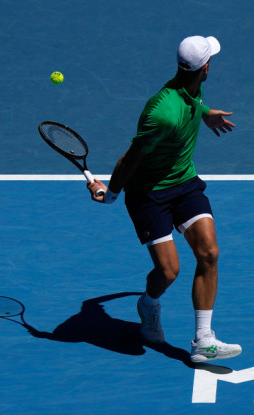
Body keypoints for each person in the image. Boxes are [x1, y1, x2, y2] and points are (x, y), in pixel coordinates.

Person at [88, 35, 241, 363]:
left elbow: (192, 103)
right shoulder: (163, 112)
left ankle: (204, 339)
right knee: (169, 271)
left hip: (184, 184)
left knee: (209, 253)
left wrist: (205, 113)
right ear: (205, 67)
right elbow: (130, 159)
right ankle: (148, 304)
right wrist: (109, 195)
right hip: (149, 196)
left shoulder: (191, 88)